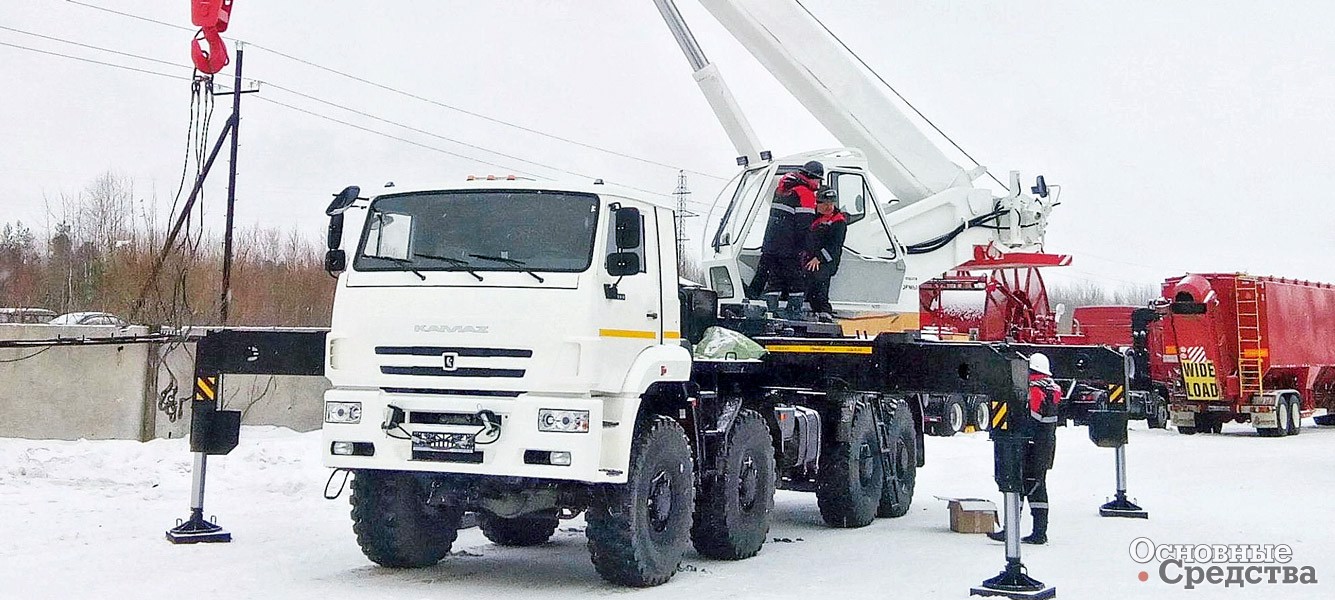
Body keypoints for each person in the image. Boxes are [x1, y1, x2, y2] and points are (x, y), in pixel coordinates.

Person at [988, 352, 1062, 545]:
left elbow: (1032, 418)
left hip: (1030, 445)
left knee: (1018, 485)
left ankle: (1011, 530)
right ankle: (1039, 532)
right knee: (1038, 487)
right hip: (1045, 446)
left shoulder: (1035, 390)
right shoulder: (1053, 389)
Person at [757, 160, 823, 319]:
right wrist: (811, 252)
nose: (819, 184)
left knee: (775, 281)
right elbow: (804, 227)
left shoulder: (781, 190)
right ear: (812, 177)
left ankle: (770, 314)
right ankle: (794, 315)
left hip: (771, 246)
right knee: (798, 282)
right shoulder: (805, 194)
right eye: (819, 179)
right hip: (789, 248)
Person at [804, 186, 847, 322]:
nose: (829, 206)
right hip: (811, 258)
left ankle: (824, 312)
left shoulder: (838, 222)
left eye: (831, 203)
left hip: (826, 261)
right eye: (825, 203)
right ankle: (812, 308)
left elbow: (835, 245)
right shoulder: (814, 218)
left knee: (819, 281)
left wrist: (819, 258)